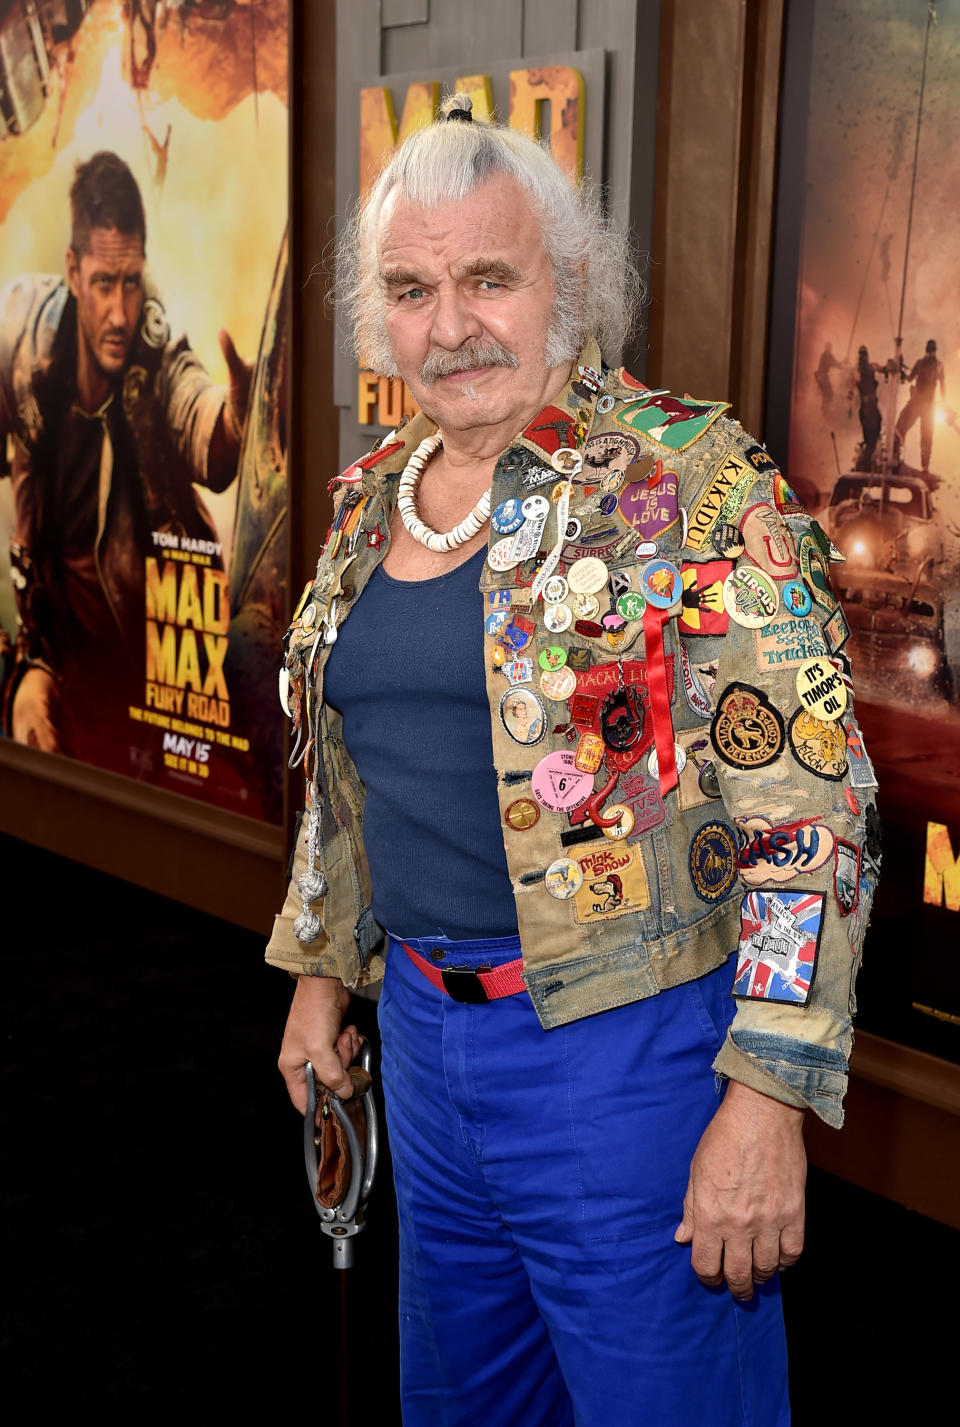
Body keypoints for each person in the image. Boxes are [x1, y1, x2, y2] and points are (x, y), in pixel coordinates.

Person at [268, 97, 877, 1426]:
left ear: (572, 281)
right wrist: (325, 966)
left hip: (631, 1054)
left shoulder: (699, 481)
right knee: (468, 1408)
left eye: (490, 276)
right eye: (413, 289)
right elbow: (354, 766)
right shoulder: (374, 496)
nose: (452, 323)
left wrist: (768, 1092)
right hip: (429, 1038)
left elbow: (817, 810)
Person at [0, 150, 249, 770]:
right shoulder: (20, 337)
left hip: (156, 674)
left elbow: (200, 418)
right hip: (56, 662)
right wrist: (26, 671)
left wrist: (239, 418)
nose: (119, 311)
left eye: (131, 281)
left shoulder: (155, 353)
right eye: (105, 283)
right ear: (73, 272)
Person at [895, 338, 946, 471]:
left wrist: (902, 371)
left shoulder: (924, 363)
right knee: (905, 427)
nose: (930, 354)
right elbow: (910, 378)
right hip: (923, 404)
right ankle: (902, 457)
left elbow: (909, 378)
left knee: (912, 429)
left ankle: (923, 465)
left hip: (922, 404)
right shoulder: (936, 365)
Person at [852, 344, 883, 469]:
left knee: (870, 437)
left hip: (865, 409)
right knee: (872, 439)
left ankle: (865, 461)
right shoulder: (871, 367)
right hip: (870, 408)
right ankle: (864, 463)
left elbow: (851, 391)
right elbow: (884, 369)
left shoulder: (857, 373)